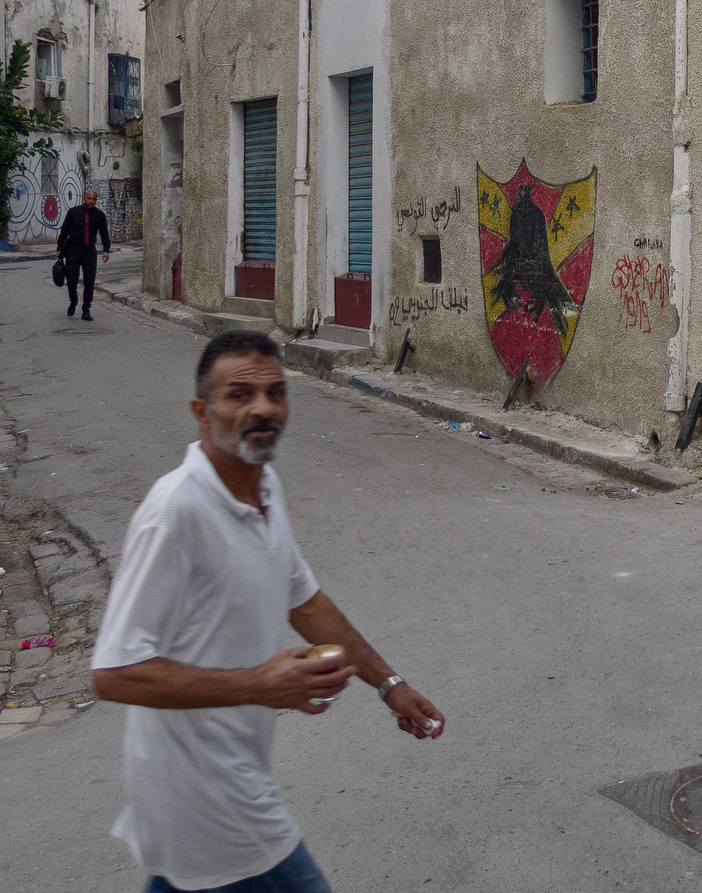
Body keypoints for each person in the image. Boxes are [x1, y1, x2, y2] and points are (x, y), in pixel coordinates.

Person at [92, 330, 445, 893]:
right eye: (240, 394)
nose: (263, 408)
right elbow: (113, 673)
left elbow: (305, 601)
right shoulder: (175, 513)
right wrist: (258, 684)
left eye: (276, 393)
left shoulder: (265, 487)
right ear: (202, 412)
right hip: (205, 796)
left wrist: (389, 685)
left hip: (221, 782)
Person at [57, 188, 111, 320]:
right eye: (89, 198)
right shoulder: (73, 212)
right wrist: (60, 248)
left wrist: (106, 250)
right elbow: (64, 231)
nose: (91, 201)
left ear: (96, 201)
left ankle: (86, 309)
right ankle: (73, 300)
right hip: (73, 251)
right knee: (71, 280)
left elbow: (104, 233)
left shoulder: (99, 215)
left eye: (93, 199)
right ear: (84, 198)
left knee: (89, 282)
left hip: (89, 252)